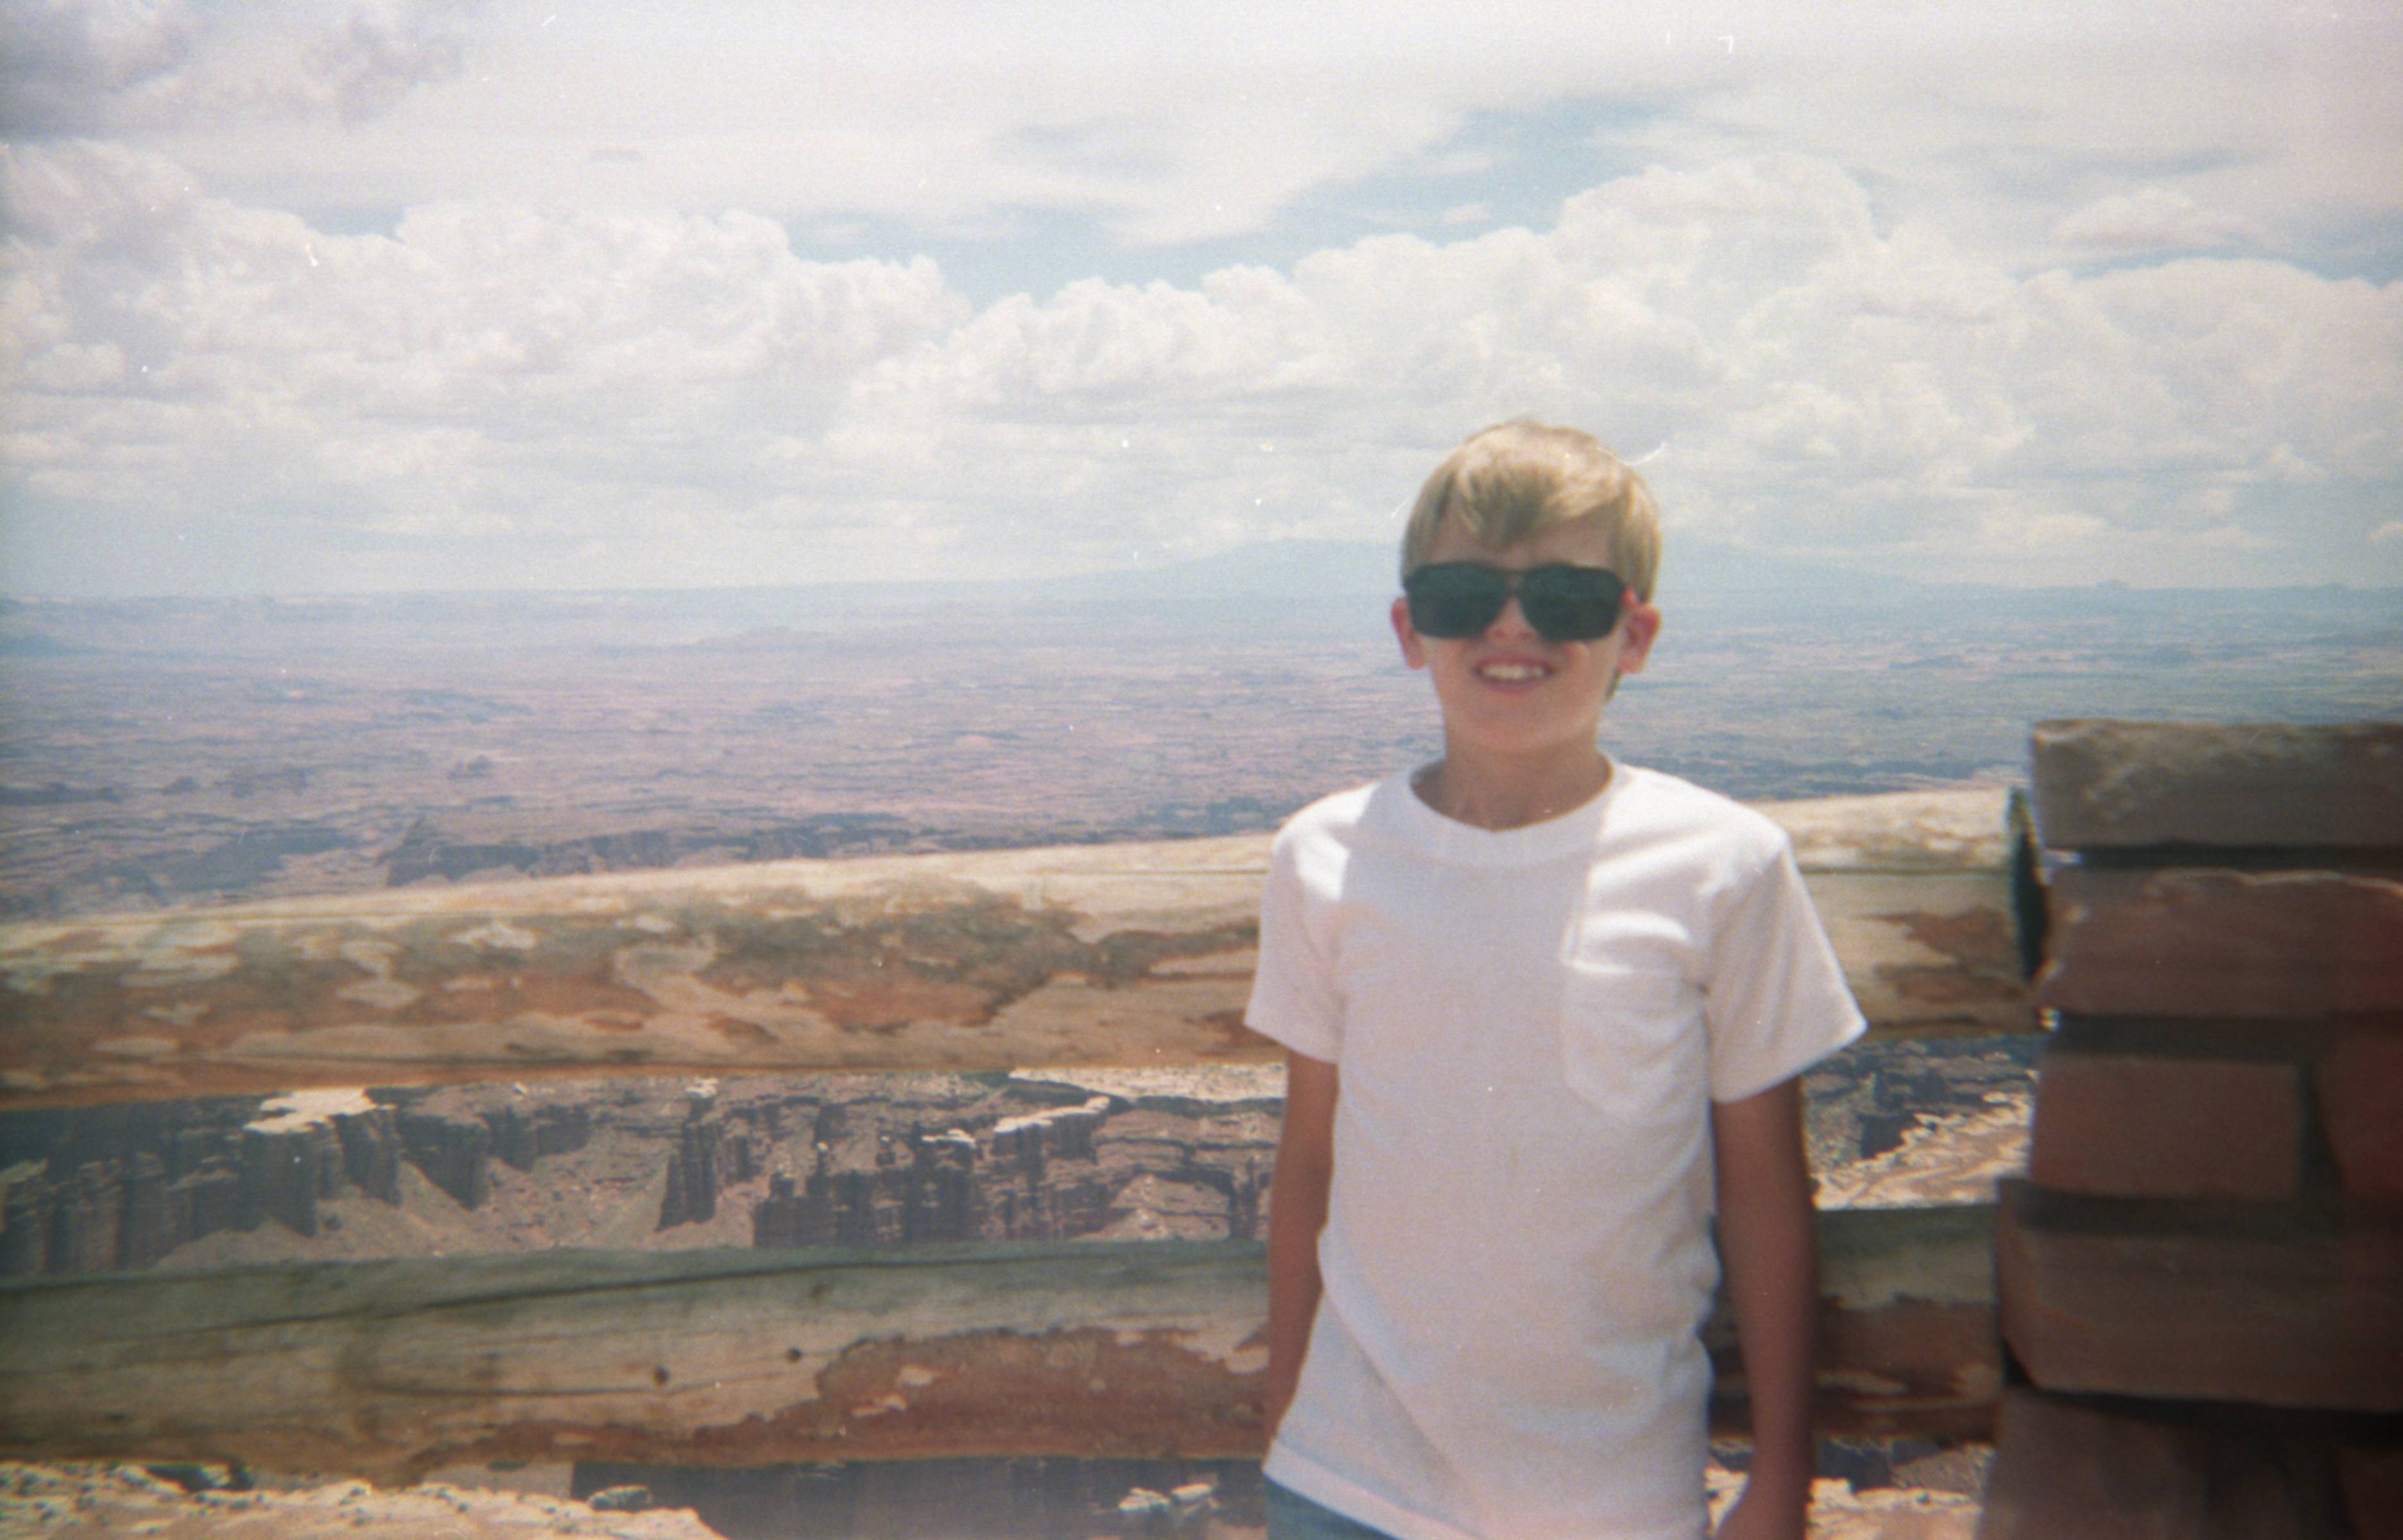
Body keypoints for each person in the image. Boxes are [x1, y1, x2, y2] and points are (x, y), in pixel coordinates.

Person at [1249, 421, 1864, 1540]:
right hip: (1349, 1482)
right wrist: (1288, 1419)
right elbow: (1311, 1163)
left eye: (1566, 599)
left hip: (1614, 1499)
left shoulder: (1725, 868)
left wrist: (1783, 1480)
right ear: (1409, 628)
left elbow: (1767, 1194)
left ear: (1637, 635)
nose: (1512, 628)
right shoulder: (1326, 858)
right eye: (1462, 595)